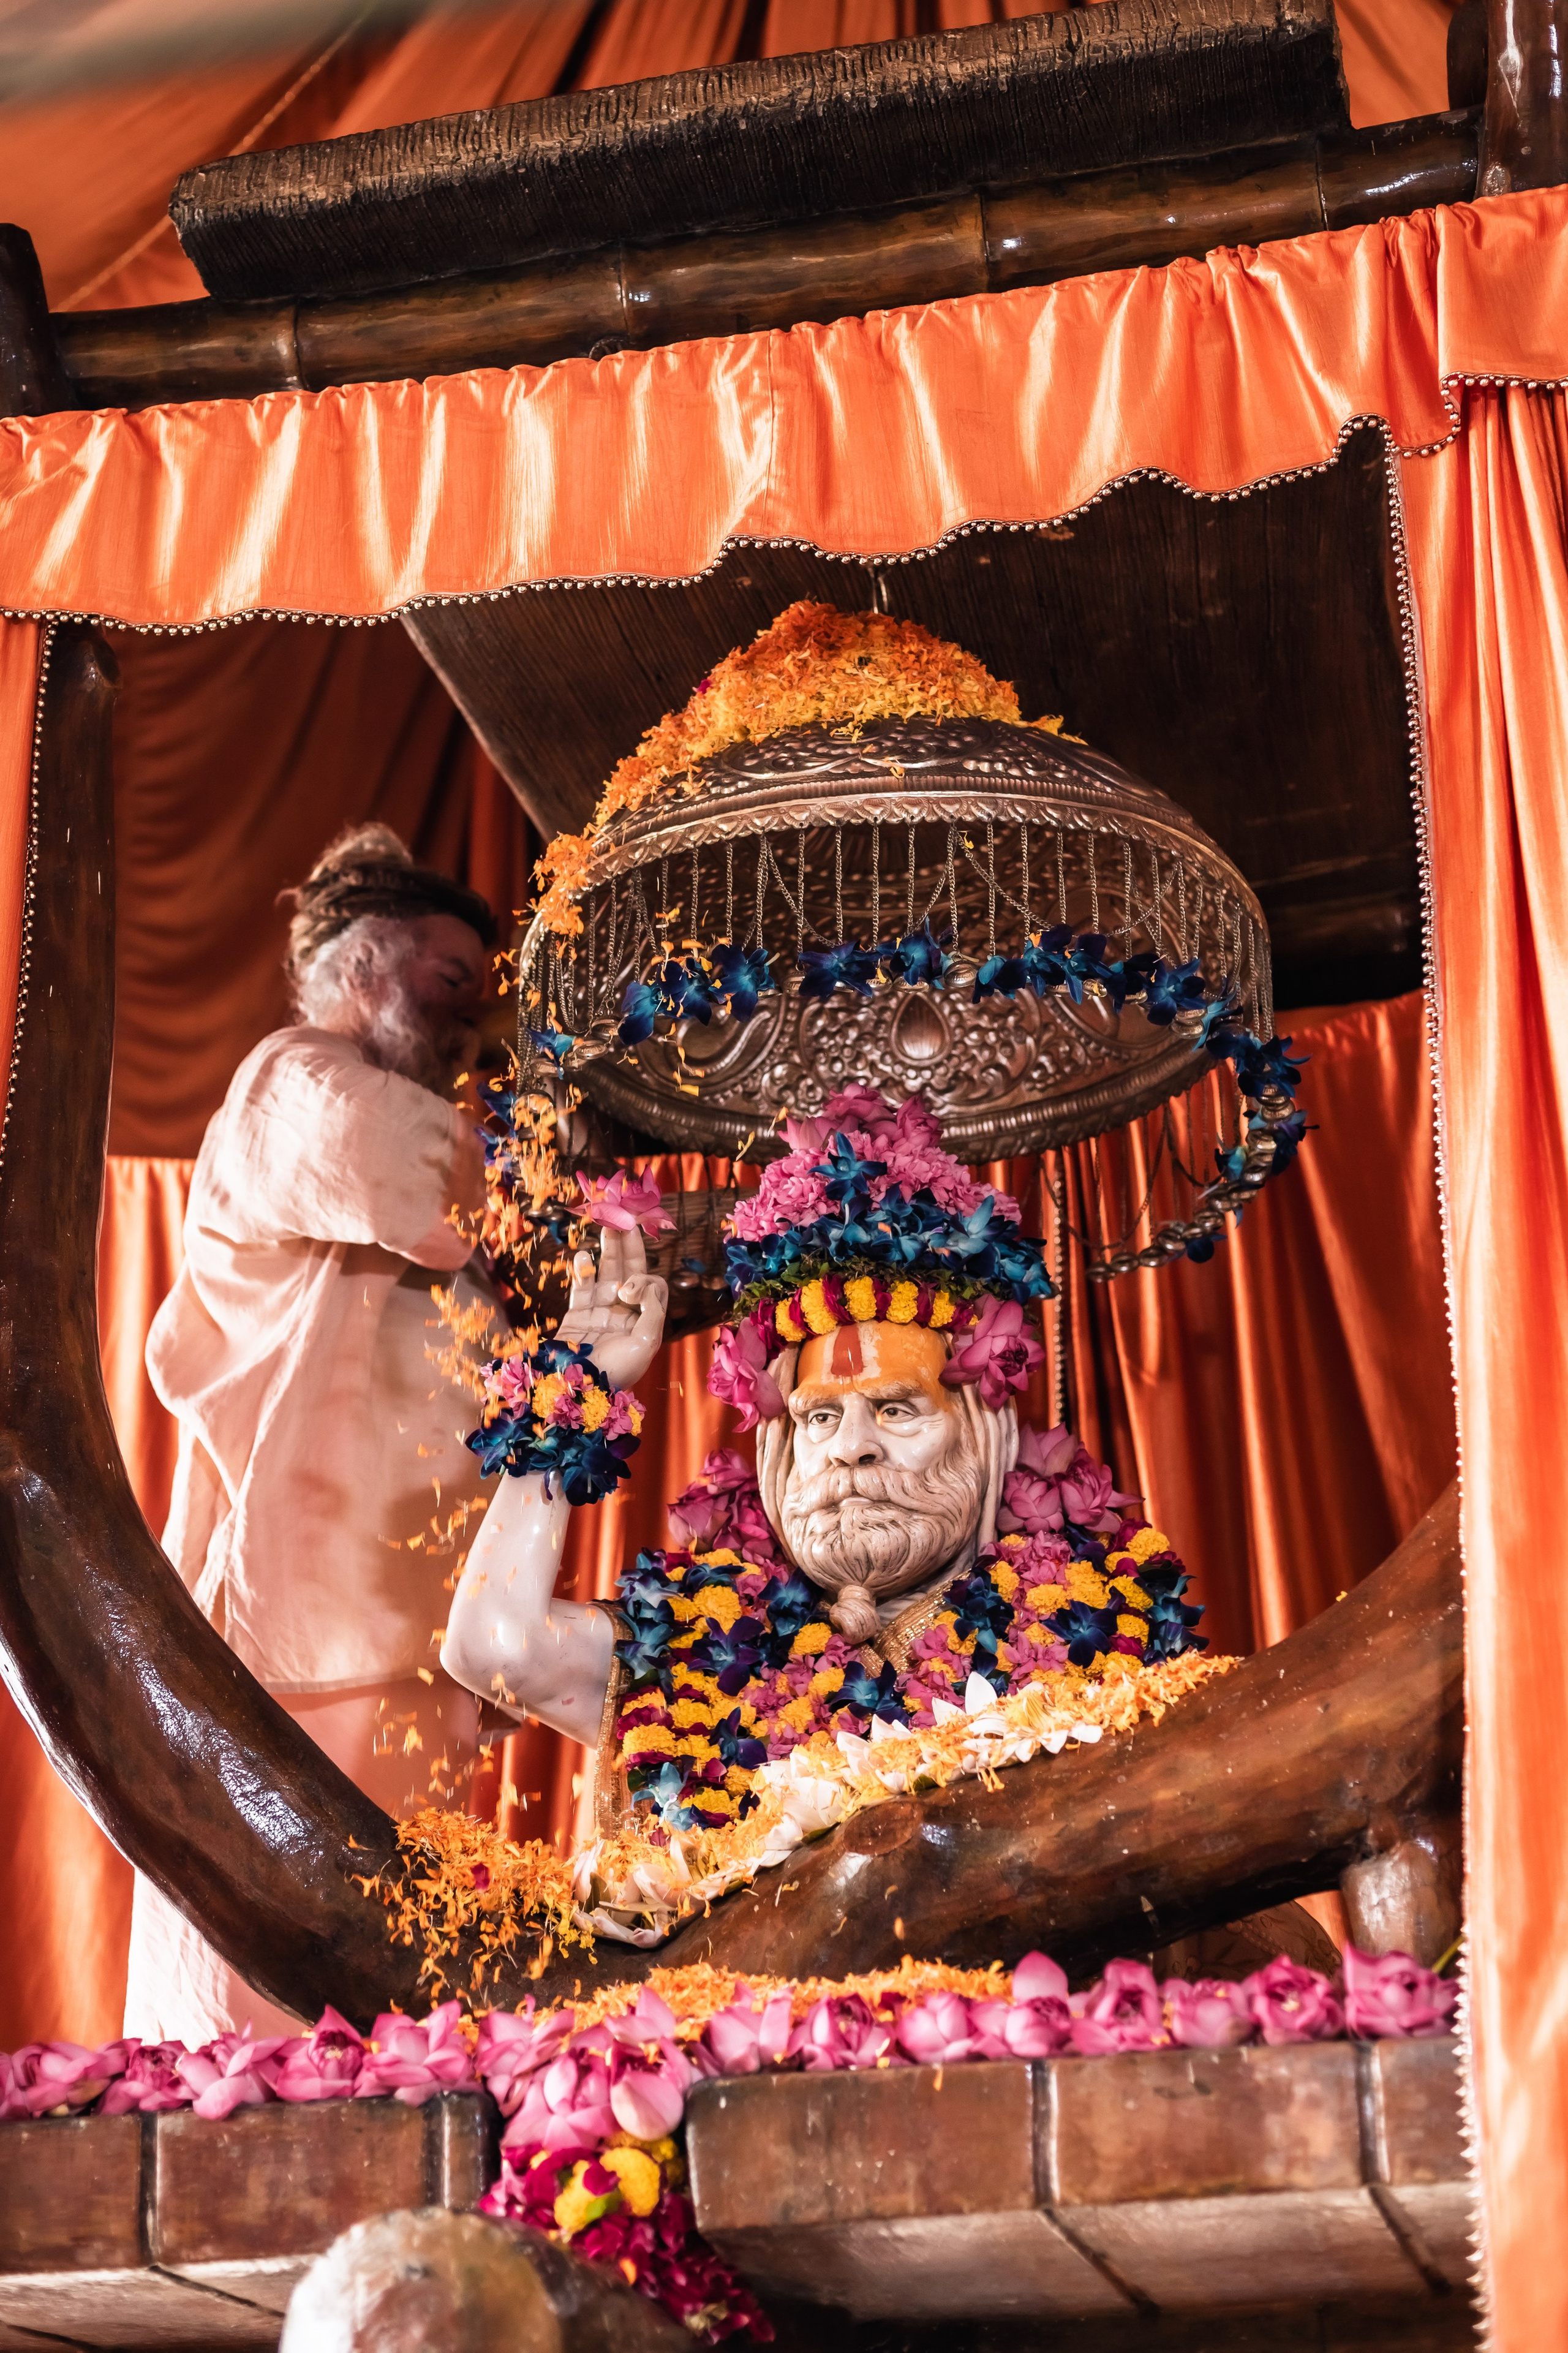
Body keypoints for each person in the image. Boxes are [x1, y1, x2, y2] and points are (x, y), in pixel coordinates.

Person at [125, 824, 500, 2042]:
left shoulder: (404, 1105)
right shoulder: (299, 1078)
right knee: (285, 2006)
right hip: (305, 1634)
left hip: (404, 1634)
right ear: (360, 970)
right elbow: (437, 1184)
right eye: (451, 987)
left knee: (402, 1995)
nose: (468, 1029)